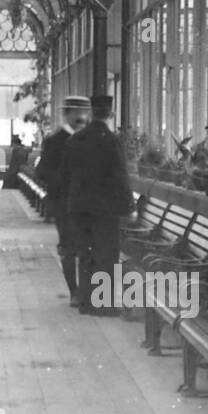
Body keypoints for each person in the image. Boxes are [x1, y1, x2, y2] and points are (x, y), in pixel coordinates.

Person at [61, 96, 135, 316]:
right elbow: (120, 176)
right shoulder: (111, 140)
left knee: (85, 254)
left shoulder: (76, 139)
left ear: (91, 112)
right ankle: (105, 304)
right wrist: (128, 207)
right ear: (110, 114)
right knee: (107, 256)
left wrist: (71, 201)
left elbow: (65, 175)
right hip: (105, 210)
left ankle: (85, 302)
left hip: (79, 208)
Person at [35, 95, 91, 300]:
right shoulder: (54, 141)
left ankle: (85, 292)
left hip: (86, 205)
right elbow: (41, 172)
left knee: (85, 249)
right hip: (64, 205)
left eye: (84, 112)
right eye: (76, 112)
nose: (81, 116)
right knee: (69, 249)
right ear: (66, 114)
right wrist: (65, 180)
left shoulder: (89, 139)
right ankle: (74, 292)